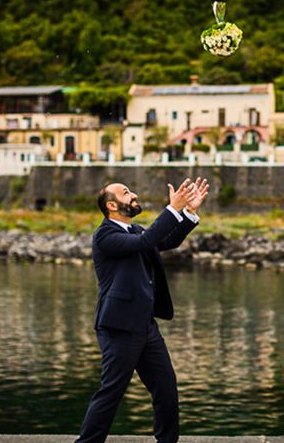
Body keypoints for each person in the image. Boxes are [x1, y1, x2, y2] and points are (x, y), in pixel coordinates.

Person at [76, 177, 209, 443]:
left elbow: (164, 241)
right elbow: (147, 241)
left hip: (146, 326)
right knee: (111, 392)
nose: (133, 194)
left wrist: (188, 213)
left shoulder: (134, 230)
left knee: (166, 389)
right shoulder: (105, 235)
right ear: (112, 206)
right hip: (118, 327)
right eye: (126, 193)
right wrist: (172, 209)